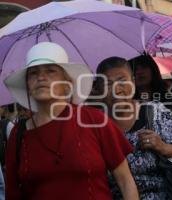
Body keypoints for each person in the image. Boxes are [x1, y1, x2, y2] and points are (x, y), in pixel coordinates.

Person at [4, 42, 139, 200]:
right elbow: (12, 193)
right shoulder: (18, 135)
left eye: (51, 71)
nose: (41, 77)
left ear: (67, 84)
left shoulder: (94, 120)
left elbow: (125, 181)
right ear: (27, 86)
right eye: (33, 73)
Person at [95, 56, 172, 200]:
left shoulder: (154, 112)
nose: (116, 89)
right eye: (108, 84)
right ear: (99, 89)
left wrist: (163, 147)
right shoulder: (96, 125)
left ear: (133, 82)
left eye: (122, 81)